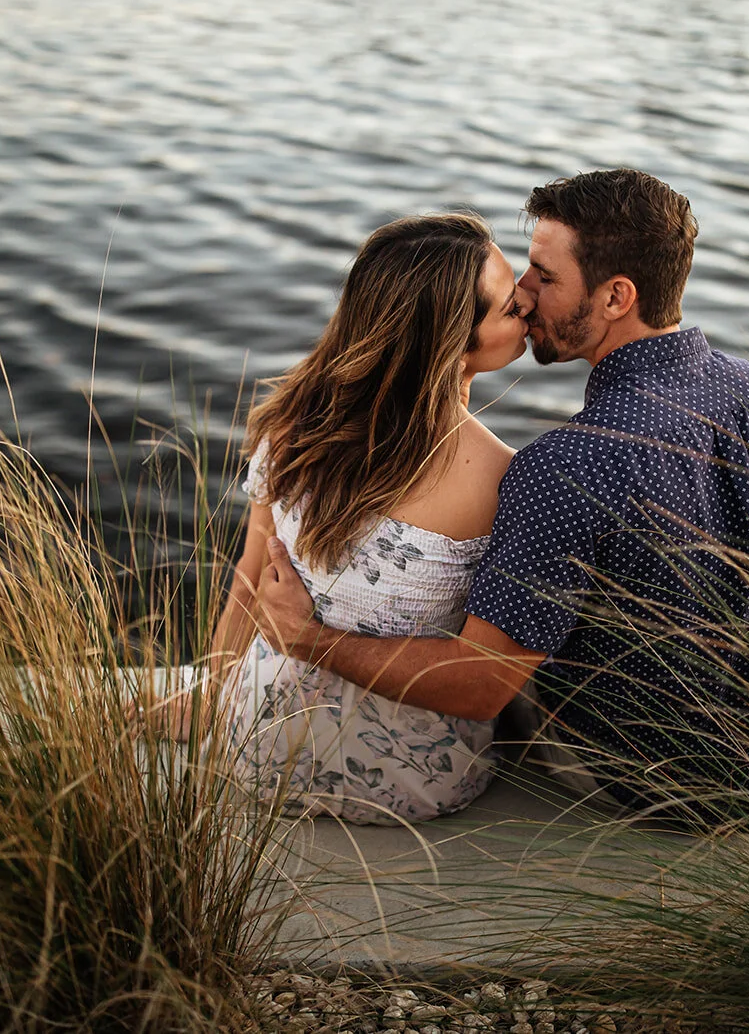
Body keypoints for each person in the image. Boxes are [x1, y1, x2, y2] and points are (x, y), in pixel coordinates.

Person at [255, 169, 749, 829]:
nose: (526, 294)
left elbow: (480, 685)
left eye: (544, 275)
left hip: (658, 786)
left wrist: (307, 637)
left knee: (506, 625)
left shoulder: (563, 466)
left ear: (617, 296)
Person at [190, 212, 535, 824]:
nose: (527, 309)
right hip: (415, 786)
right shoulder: (502, 475)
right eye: (509, 308)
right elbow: (484, 679)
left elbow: (250, 574)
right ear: (454, 344)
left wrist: (209, 705)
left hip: (259, 753)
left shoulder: (294, 423)